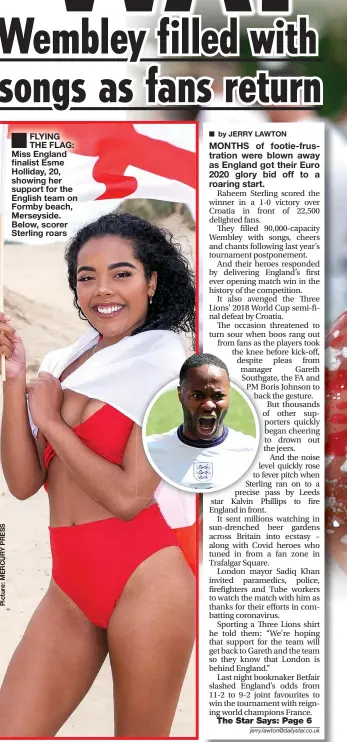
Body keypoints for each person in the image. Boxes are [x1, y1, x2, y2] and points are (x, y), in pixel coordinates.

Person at [0, 212, 196, 738]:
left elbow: (132, 496)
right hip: (69, 587)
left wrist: (47, 419)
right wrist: (15, 377)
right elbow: (22, 483)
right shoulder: (67, 360)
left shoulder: (166, 361)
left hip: (147, 580)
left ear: (152, 281)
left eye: (122, 273)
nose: (103, 289)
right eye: (87, 276)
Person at [146, 353, 258, 492]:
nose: (209, 405)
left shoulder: (251, 452)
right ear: (180, 394)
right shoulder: (150, 452)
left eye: (218, 396)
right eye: (198, 396)